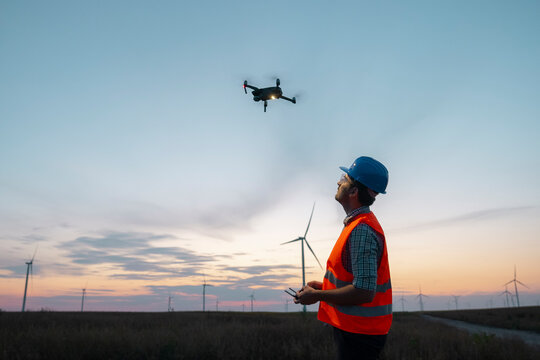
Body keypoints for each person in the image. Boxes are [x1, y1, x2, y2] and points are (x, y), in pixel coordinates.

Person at [294, 156, 392, 360]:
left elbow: (364, 291)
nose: (339, 182)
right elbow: (358, 282)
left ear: (354, 191)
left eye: (344, 178)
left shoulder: (361, 230)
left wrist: (317, 296)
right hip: (358, 331)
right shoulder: (357, 225)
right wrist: (324, 287)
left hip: (360, 335)